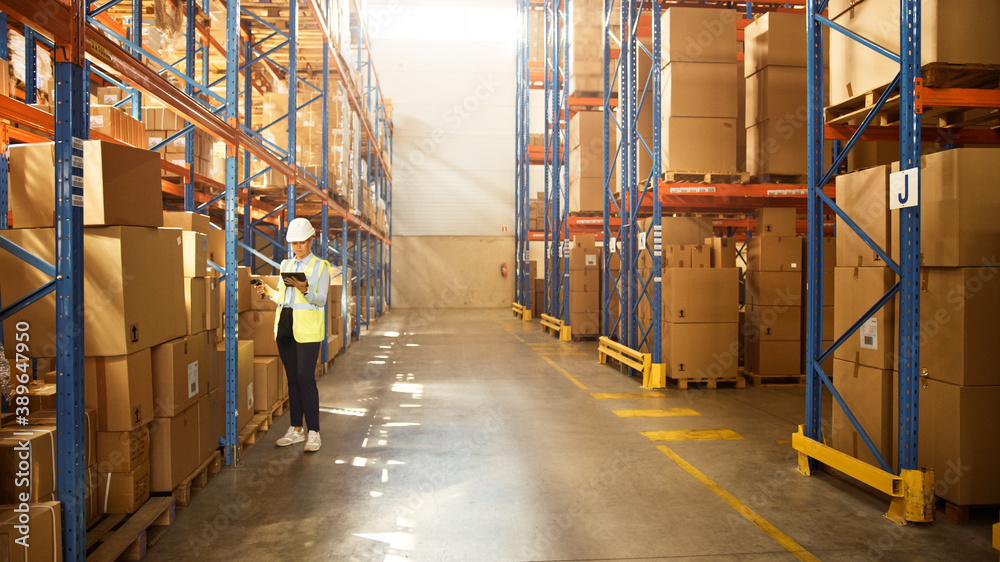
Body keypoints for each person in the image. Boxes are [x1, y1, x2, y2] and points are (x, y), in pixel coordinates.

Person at [254, 217, 331, 452]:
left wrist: (305, 289)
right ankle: (296, 429)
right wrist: (267, 292)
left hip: (307, 331)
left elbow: (321, 300)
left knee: (306, 379)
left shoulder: (320, 266)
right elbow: (284, 298)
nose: (298, 247)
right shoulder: (285, 265)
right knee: (293, 380)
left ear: (311, 241)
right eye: (294, 243)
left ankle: (314, 433)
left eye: (302, 242)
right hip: (285, 328)